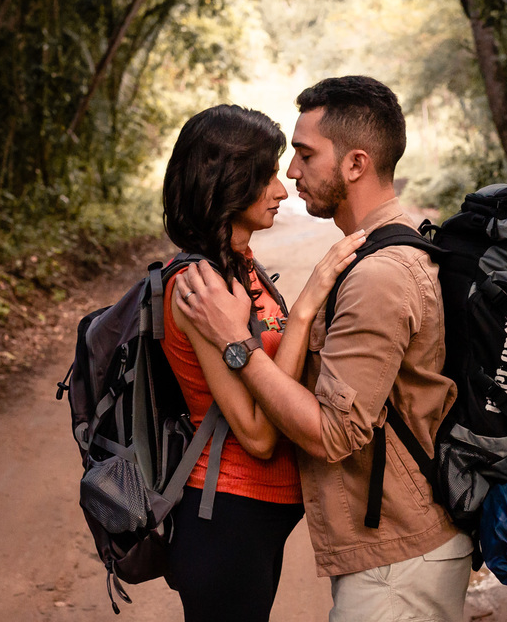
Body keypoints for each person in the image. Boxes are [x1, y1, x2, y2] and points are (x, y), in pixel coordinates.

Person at [175, 77, 473, 622]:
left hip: (397, 559)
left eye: (304, 155)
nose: (290, 175)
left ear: (356, 163)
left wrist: (241, 340)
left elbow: (332, 432)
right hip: (382, 551)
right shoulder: (212, 280)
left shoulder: (378, 273)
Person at [159, 104, 366, 622]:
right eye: (266, 175)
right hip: (225, 514)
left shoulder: (241, 268)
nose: (280, 190)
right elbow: (256, 432)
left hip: (255, 517)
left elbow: (272, 374)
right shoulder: (197, 286)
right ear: (224, 183)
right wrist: (310, 298)